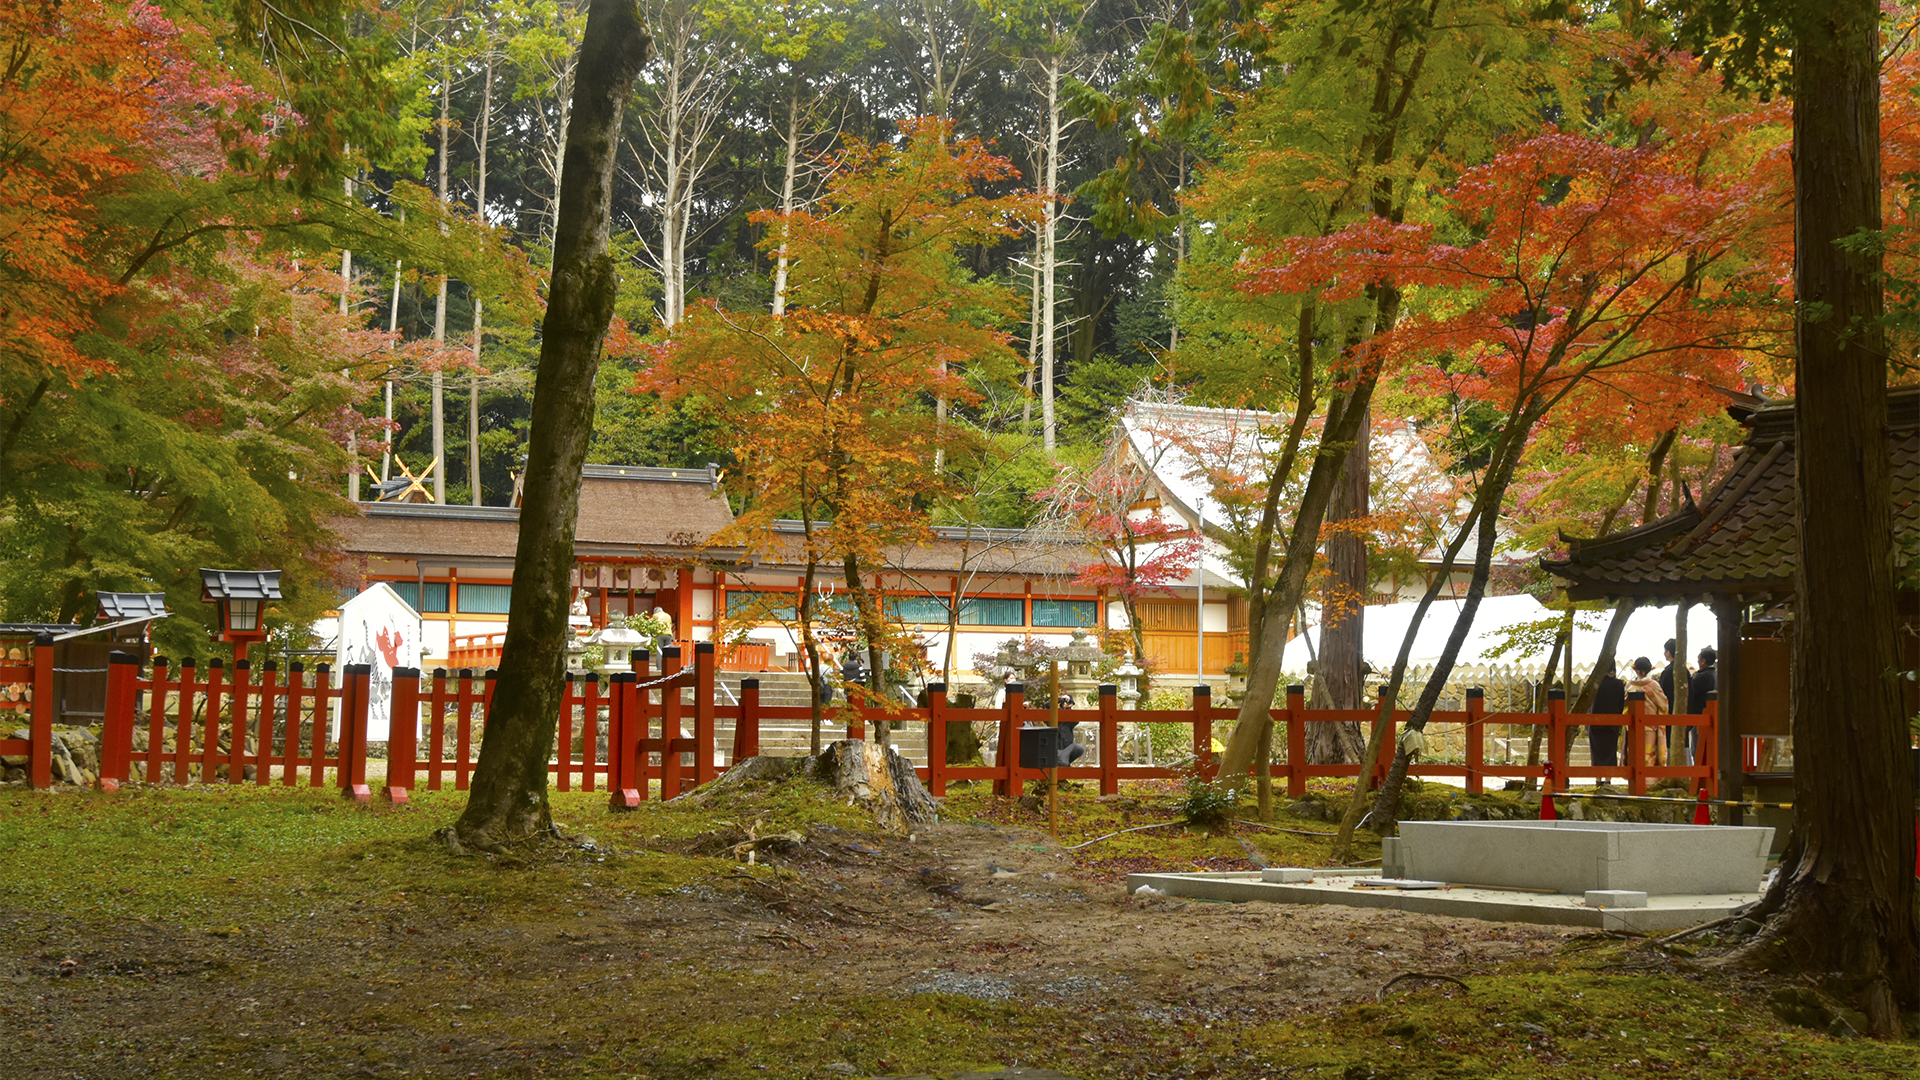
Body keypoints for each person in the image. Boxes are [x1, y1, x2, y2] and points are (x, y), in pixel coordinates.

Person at [1625, 656, 1669, 765]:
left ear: (1636, 670)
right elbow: (1663, 704)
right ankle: (1649, 781)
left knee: (1634, 753)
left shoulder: (1629, 685)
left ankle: (1635, 780)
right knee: (1648, 755)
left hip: (1632, 723)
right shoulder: (1653, 685)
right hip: (1650, 724)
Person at [1681, 646, 1718, 766]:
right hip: (1709, 714)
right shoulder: (1715, 675)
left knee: (1697, 748)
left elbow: (1690, 690)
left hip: (1699, 715)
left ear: (1703, 661)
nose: (1697, 661)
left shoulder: (1703, 677)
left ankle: (1698, 776)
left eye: (1699, 659)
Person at [1588, 665, 1626, 770]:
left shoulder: (1595, 683)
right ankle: (1608, 778)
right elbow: (1621, 705)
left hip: (1595, 722)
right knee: (1610, 751)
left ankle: (1598, 778)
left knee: (1596, 751)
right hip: (1612, 723)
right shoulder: (1619, 684)